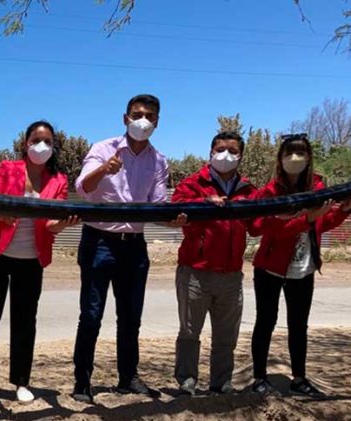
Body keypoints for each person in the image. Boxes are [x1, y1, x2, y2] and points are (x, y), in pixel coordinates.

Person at [72, 94, 182, 403]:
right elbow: (84, 188)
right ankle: (82, 381)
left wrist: (176, 220)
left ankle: (127, 377)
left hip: (134, 246)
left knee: (131, 316)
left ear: (157, 122)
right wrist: (104, 170)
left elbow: (157, 206)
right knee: (91, 314)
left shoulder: (159, 161)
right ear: (125, 118)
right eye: (137, 114)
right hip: (99, 241)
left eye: (149, 116)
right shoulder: (103, 149)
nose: (142, 121)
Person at [0, 121, 78, 403]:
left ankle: (21, 381)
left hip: (31, 259)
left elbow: (52, 224)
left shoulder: (59, 180)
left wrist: (64, 224)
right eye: (36, 139)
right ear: (25, 143)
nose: (41, 145)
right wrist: (0, 216)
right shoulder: (7, 168)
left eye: (47, 141)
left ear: (53, 147)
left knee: (25, 321)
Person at [249, 133, 351, 397]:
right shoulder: (269, 192)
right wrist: (305, 219)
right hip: (270, 268)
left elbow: (323, 223)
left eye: (301, 153)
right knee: (266, 322)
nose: (295, 159)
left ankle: (299, 377)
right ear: (280, 158)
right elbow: (263, 229)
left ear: (309, 157)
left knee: (298, 324)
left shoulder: (319, 189)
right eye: (289, 153)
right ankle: (259, 377)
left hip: (303, 268)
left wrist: (342, 211)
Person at [171, 131, 257, 396]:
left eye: (232, 151)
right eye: (220, 149)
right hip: (195, 272)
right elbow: (175, 208)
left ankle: (221, 382)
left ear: (240, 156)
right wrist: (203, 203)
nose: (226, 155)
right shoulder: (193, 183)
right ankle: (186, 380)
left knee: (226, 335)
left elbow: (256, 226)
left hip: (231, 275)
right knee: (189, 331)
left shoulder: (248, 190)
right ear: (210, 152)